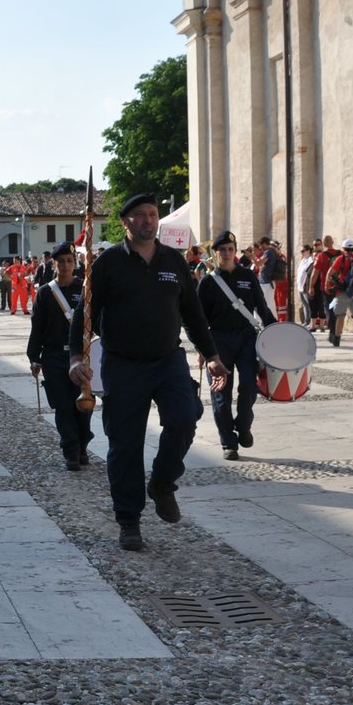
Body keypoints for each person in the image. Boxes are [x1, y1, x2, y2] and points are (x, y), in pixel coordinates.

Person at [68, 193, 226, 552]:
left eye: (152, 214)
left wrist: (212, 354)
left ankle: (163, 482)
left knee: (185, 418)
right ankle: (129, 520)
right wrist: (77, 356)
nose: (147, 221)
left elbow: (193, 312)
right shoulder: (107, 263)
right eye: (139, 215)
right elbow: (85, 313)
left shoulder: (174, 261)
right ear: (125, 222)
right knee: (125, 445)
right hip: (124, 364)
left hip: (168, 360)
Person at [198, 231, 276, 460]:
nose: (226, 253)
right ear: (215, 253)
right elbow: (198, 319)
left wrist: (278, 331)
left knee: (249, 388)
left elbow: (261, 307)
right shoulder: (208, 282)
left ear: (235, 251)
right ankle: (228, 442)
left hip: (246, 338)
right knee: (221, 393)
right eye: (222, 250)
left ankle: (243, 425)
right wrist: (204, 350)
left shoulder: (247, 276)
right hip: (218, 341)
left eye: (230, 249)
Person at [27, 241, 94, 470]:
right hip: (54, 356)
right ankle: (71, 450)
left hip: (82, 356)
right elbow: (37, 327)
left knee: (83, 404)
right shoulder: (45, 293)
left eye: (69, 261)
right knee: (63, 406)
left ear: (74, 263)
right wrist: (34, 357)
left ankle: (83, 444)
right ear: (53, 264)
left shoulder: (85, 290)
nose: (66, 265)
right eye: (61, 262)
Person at [324, 239, 353, 348]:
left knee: (340, 316)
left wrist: (327, 285)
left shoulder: (341, 258)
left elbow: (331, 271)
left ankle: (337, 339)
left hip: (344, 291)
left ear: (344, 249)